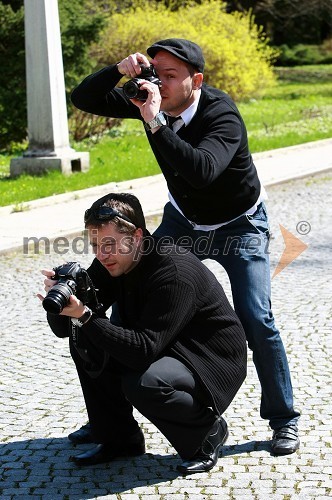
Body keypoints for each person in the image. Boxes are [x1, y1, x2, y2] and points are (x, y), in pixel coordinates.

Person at [70, 38, 300, 455]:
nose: (159, 83)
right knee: (124, 297)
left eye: (170, 76)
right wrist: (119, 71)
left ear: (196, 80)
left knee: (255, 316)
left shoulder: (220, 113)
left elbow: (202, 172)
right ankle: (109, 420)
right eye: (154, 72)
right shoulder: (152, 100)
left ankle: (283, 418)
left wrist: (154, 120)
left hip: (239, 225)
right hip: (183, 220)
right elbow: (83, 98)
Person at [38, 192, 247, 475]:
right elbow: (67, 332)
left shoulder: (173, 271)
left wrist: (85, 315)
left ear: (136, 237)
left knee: (145, 383)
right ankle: (119, 439)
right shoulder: (111, 262)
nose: (102, 254)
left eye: (110, 244)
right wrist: (62, 302)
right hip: (162, 342)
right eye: (96, 245)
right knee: (87, 342)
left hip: (208, 357)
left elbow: (142, 352)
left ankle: (206, 432)